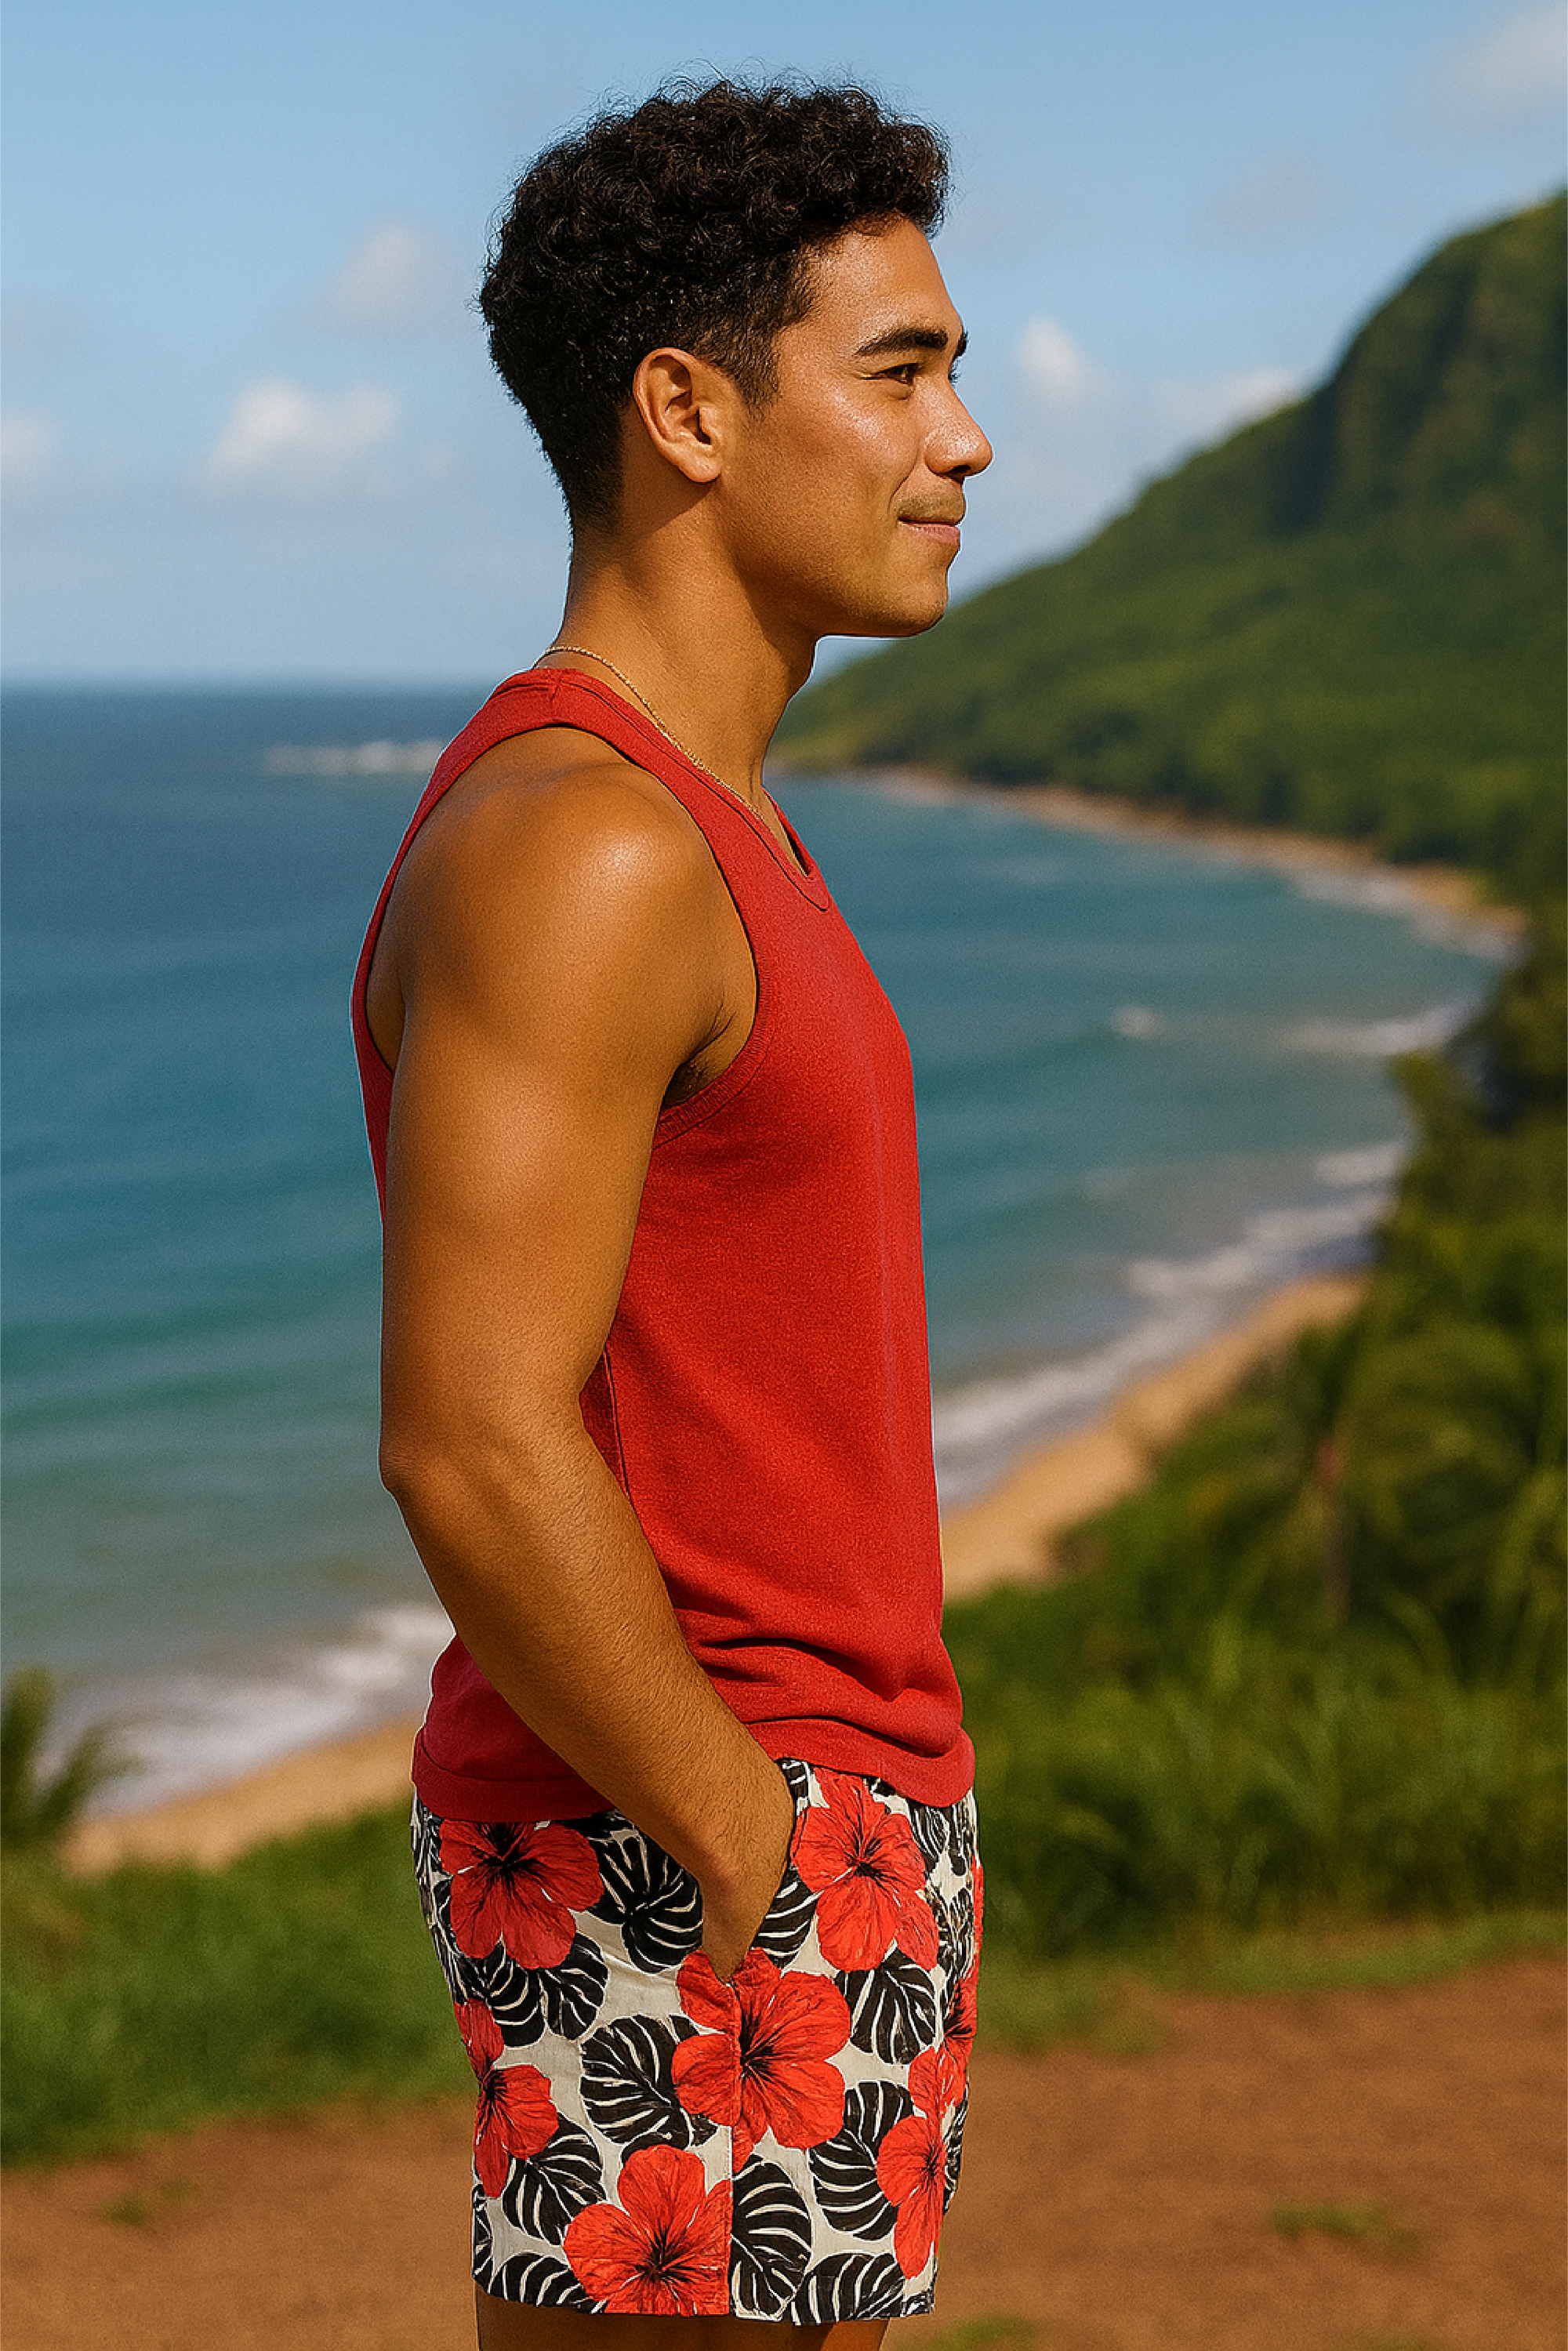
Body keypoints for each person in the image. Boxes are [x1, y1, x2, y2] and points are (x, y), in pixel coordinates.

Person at [352, 77, 993, 2349]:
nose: (969, 440)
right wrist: (751, 1841)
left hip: (787, 1818)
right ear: (688, 413)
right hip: (687, 1836)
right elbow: (473, 1437)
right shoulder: (589, 847)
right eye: (902, 368)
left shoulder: (714, 833)